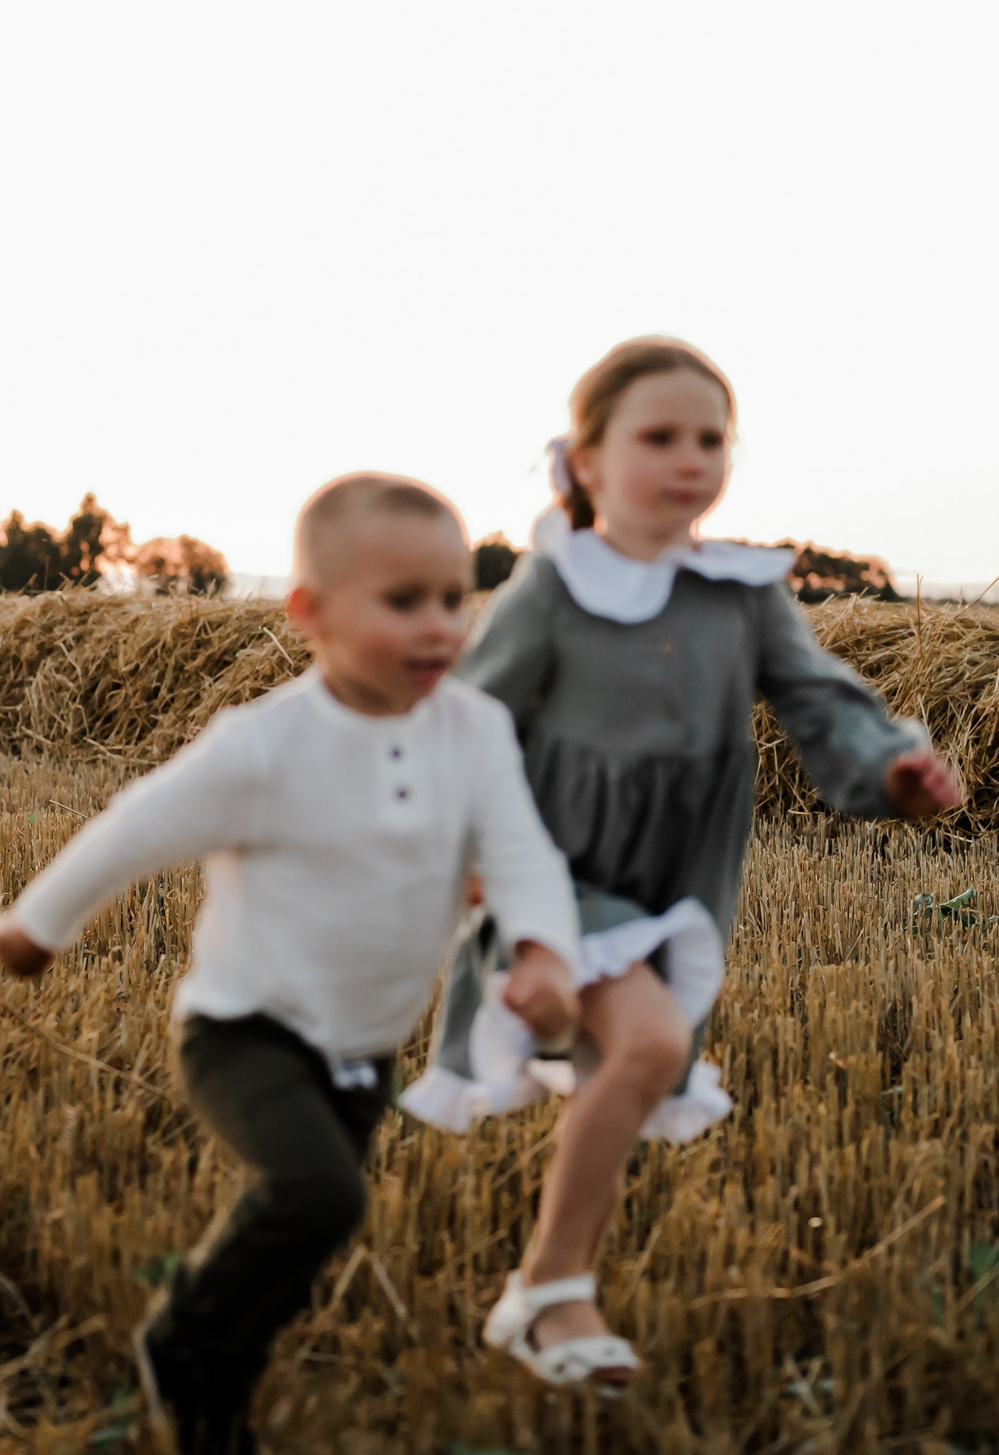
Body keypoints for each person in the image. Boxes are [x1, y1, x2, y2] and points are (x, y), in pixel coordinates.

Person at [400, 336, 966, 1387]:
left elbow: (822, 700)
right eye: (659, 436)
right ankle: (552, 1291)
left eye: (711, 438)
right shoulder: (552, 588)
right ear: (587, 460)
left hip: (674, 883)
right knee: (652, 1041)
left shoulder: (741, 594)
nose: (691, 458)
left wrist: (891, 768)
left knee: (634, 1061)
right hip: (550, 871)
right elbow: (466, 725)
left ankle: (547, 1282)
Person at [0, 475, 584, 1455]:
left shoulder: (474, 732)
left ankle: (216, 1388)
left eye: (454, 596)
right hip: (243, 1029)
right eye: (403, 600)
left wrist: (545, 948)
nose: (439, 624)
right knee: (322, 1196)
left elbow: (520, 853)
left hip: (365, 1047)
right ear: (310, 613)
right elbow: (135, 829)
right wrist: (37, 923)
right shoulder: (265, 746)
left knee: (307, 1233)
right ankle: (181, 1343)